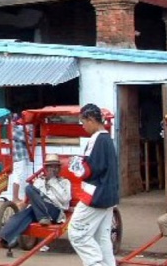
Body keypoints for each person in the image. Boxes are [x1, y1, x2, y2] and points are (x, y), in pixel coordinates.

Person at [0, 154, 71, 248]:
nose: (53, 169)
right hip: (38, 212)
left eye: (55, 167)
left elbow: (65, 199)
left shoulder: (64, 182)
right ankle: (1, 240)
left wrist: (53, 181)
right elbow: (33, 199)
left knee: (29, 191)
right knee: (23, 214)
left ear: (59, 169)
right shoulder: (39, 181)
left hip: (54, 212)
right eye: (50, 167)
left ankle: (44, 217)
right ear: (46, 169)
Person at [68, 103, 119, 266]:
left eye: (83, 122)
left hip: (95, 196)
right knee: (101, 238)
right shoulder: (108, 139)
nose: (83, 127)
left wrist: (74, 164)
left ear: (90, 119)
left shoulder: (96, 140)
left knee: (77, 234)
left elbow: (88, 170)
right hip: (109, 196)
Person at [11, 113, 32, 206]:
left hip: (18, 157)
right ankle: (15, 198)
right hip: (19, 157)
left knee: (18, 176)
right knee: (18, 177)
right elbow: (28, 140)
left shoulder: (16, 129)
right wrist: (28, 131)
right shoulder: (15, 131)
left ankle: (15, 198)